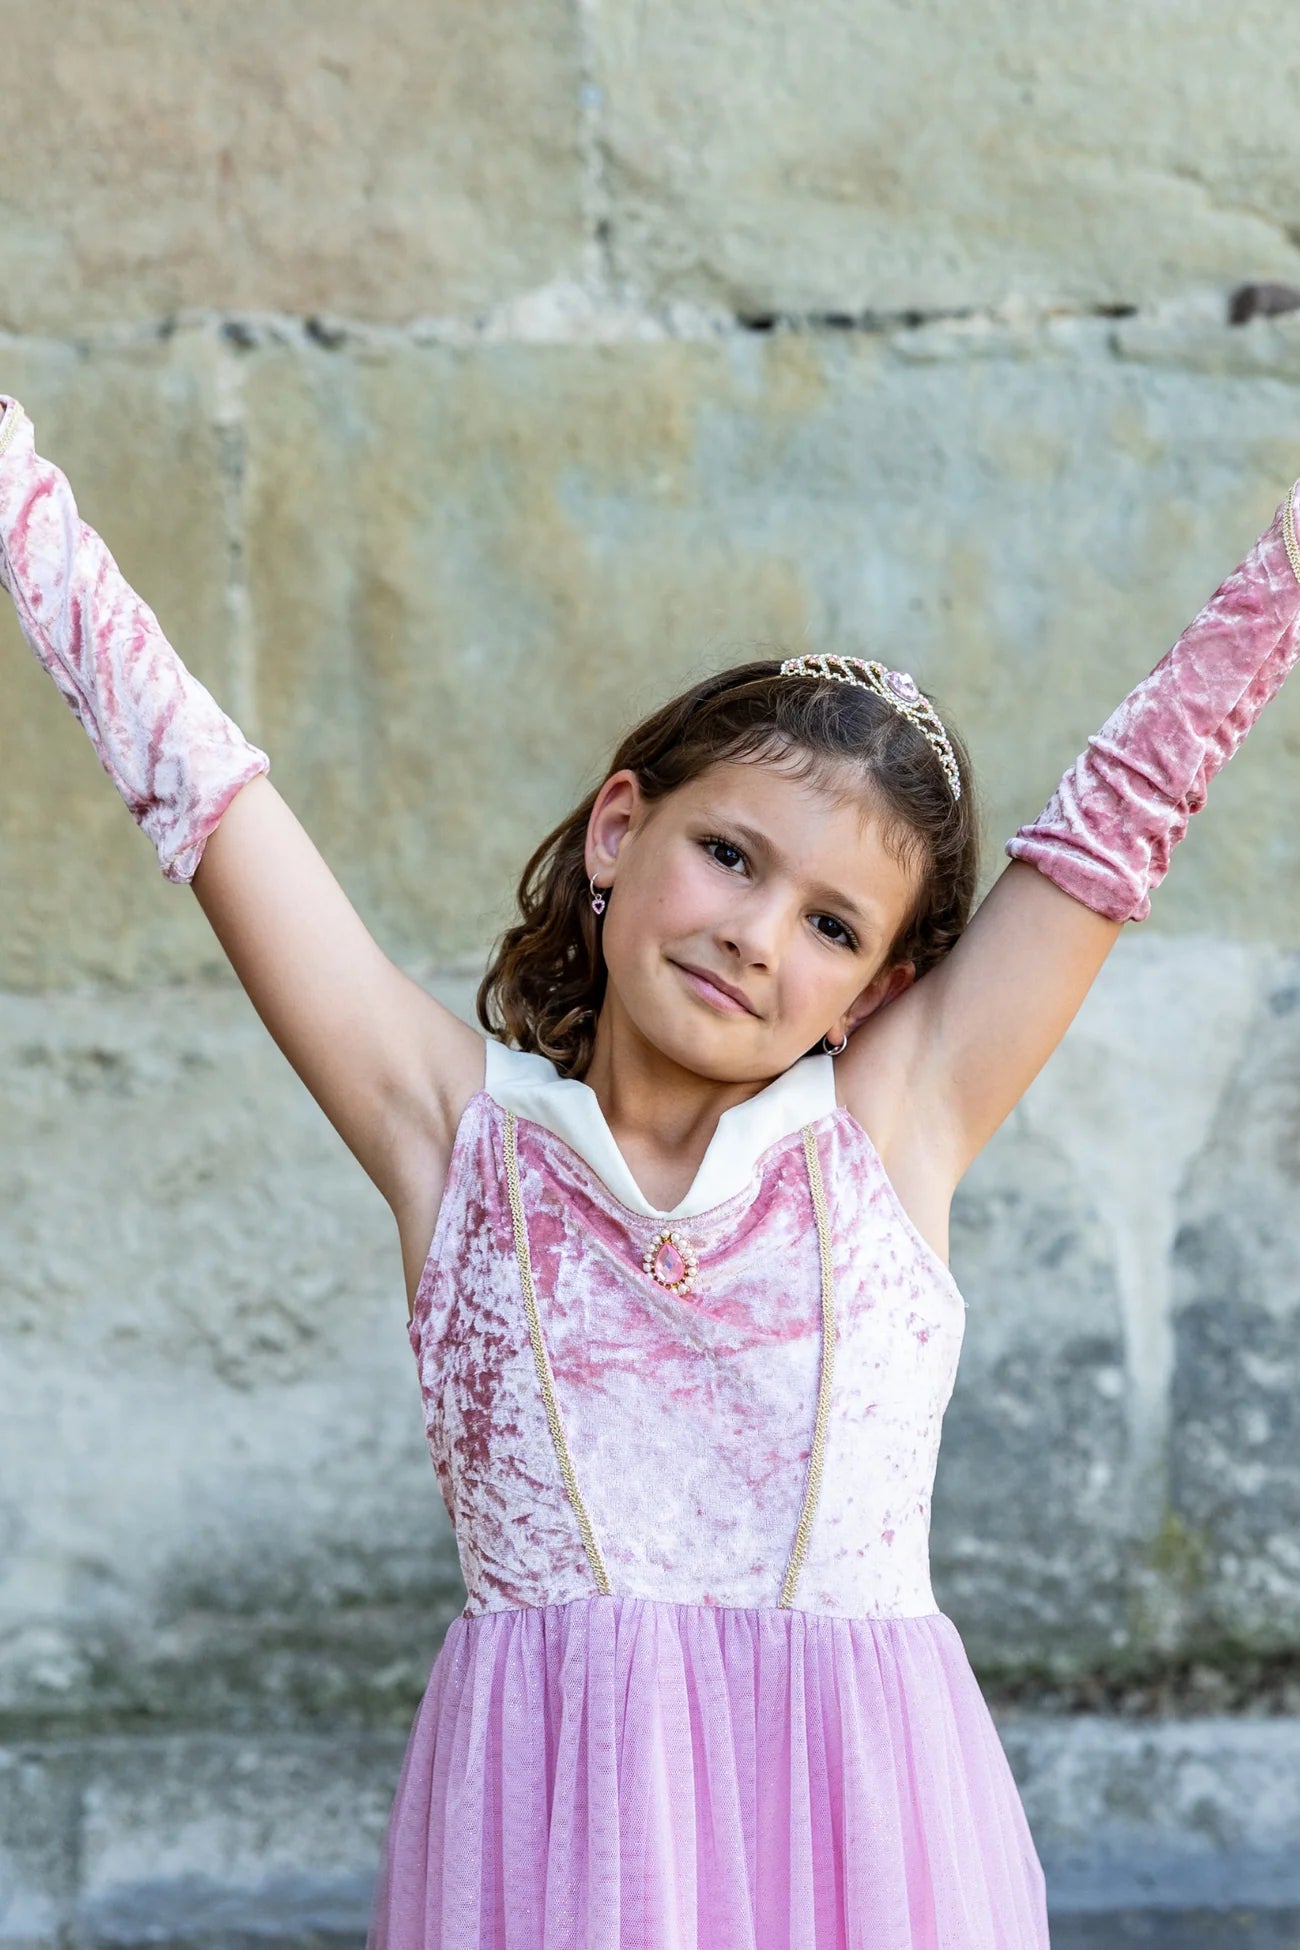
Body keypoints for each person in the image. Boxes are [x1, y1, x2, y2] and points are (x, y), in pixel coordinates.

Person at [3, 385, 1298, 1948]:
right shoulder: (454, 1141)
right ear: (622, 826)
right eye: (732, 854)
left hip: (873, 1862)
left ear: (879, 990)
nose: (759, 932)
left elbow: (1130, 803)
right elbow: (200, 784)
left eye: (832, 925)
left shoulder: (887, 1134)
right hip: (547, 1861)